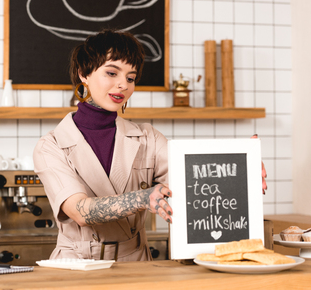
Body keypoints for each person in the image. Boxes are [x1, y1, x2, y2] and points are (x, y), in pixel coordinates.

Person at [33, 29, 267, 262]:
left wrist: (241, 170)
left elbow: (193, 179)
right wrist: (143, 199)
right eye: (112, 73)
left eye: (130, 78)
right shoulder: (50, 146)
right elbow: (79, 211)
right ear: (84, 73)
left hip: (136, 264)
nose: (123, 84)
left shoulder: (148, 137)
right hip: (76, 266)